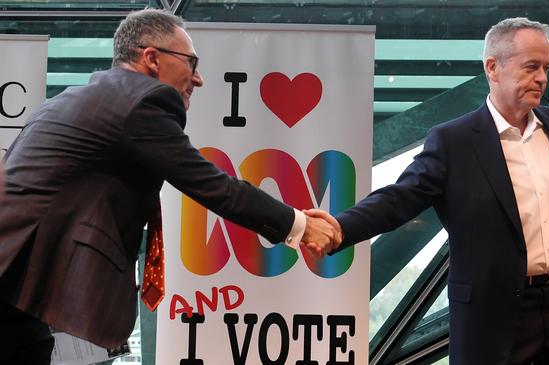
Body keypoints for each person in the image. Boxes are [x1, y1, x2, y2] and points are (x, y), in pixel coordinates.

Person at [0, 9, 337, 363]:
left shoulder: (67, 101)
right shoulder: (141, 101)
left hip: (18, 288)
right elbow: (215, 187)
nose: (199, 78)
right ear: (151, 58)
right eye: (191, 62)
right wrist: (300, 225)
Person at [305, 17, 549, 365]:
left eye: (545, 67)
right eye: (531, 67)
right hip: (494, 315)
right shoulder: (454, 141)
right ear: (492, 68)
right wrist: (341, 227)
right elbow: (399, 198)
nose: (542, 78)